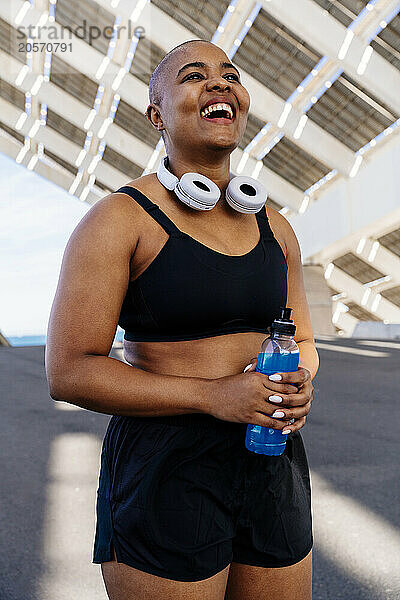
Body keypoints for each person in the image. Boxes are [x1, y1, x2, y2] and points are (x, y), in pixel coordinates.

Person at [45, 39, 319, 600]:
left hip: (272, 457)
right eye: (194, 76)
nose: (219, 83)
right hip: (166, 466)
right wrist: (214, 395)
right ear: (156, 115)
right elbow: (69, 371)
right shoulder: (119, 220)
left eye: (230, 74)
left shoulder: (276, 226)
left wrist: (299, 382)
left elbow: (305, 341)